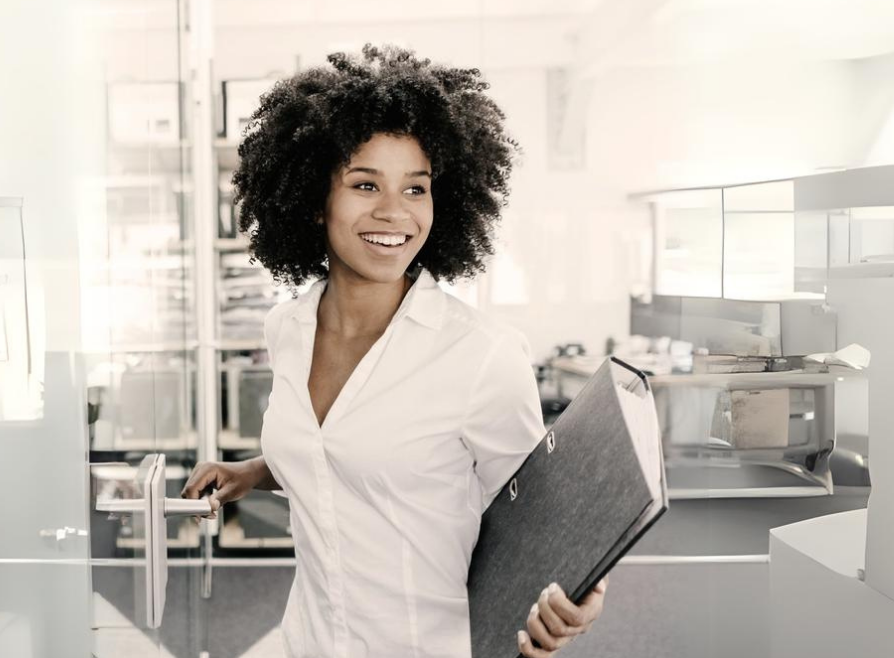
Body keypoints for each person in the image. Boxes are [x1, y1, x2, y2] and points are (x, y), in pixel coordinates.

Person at [182, 44, 607, 658]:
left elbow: (537, 516)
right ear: (312, 197)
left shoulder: (480, 356)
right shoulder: (288, 329)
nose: (394, 212)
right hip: (308, 639)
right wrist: (254, 471)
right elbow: (338, 455)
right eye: (364, 184)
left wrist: (583, 593)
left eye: (416, 187)